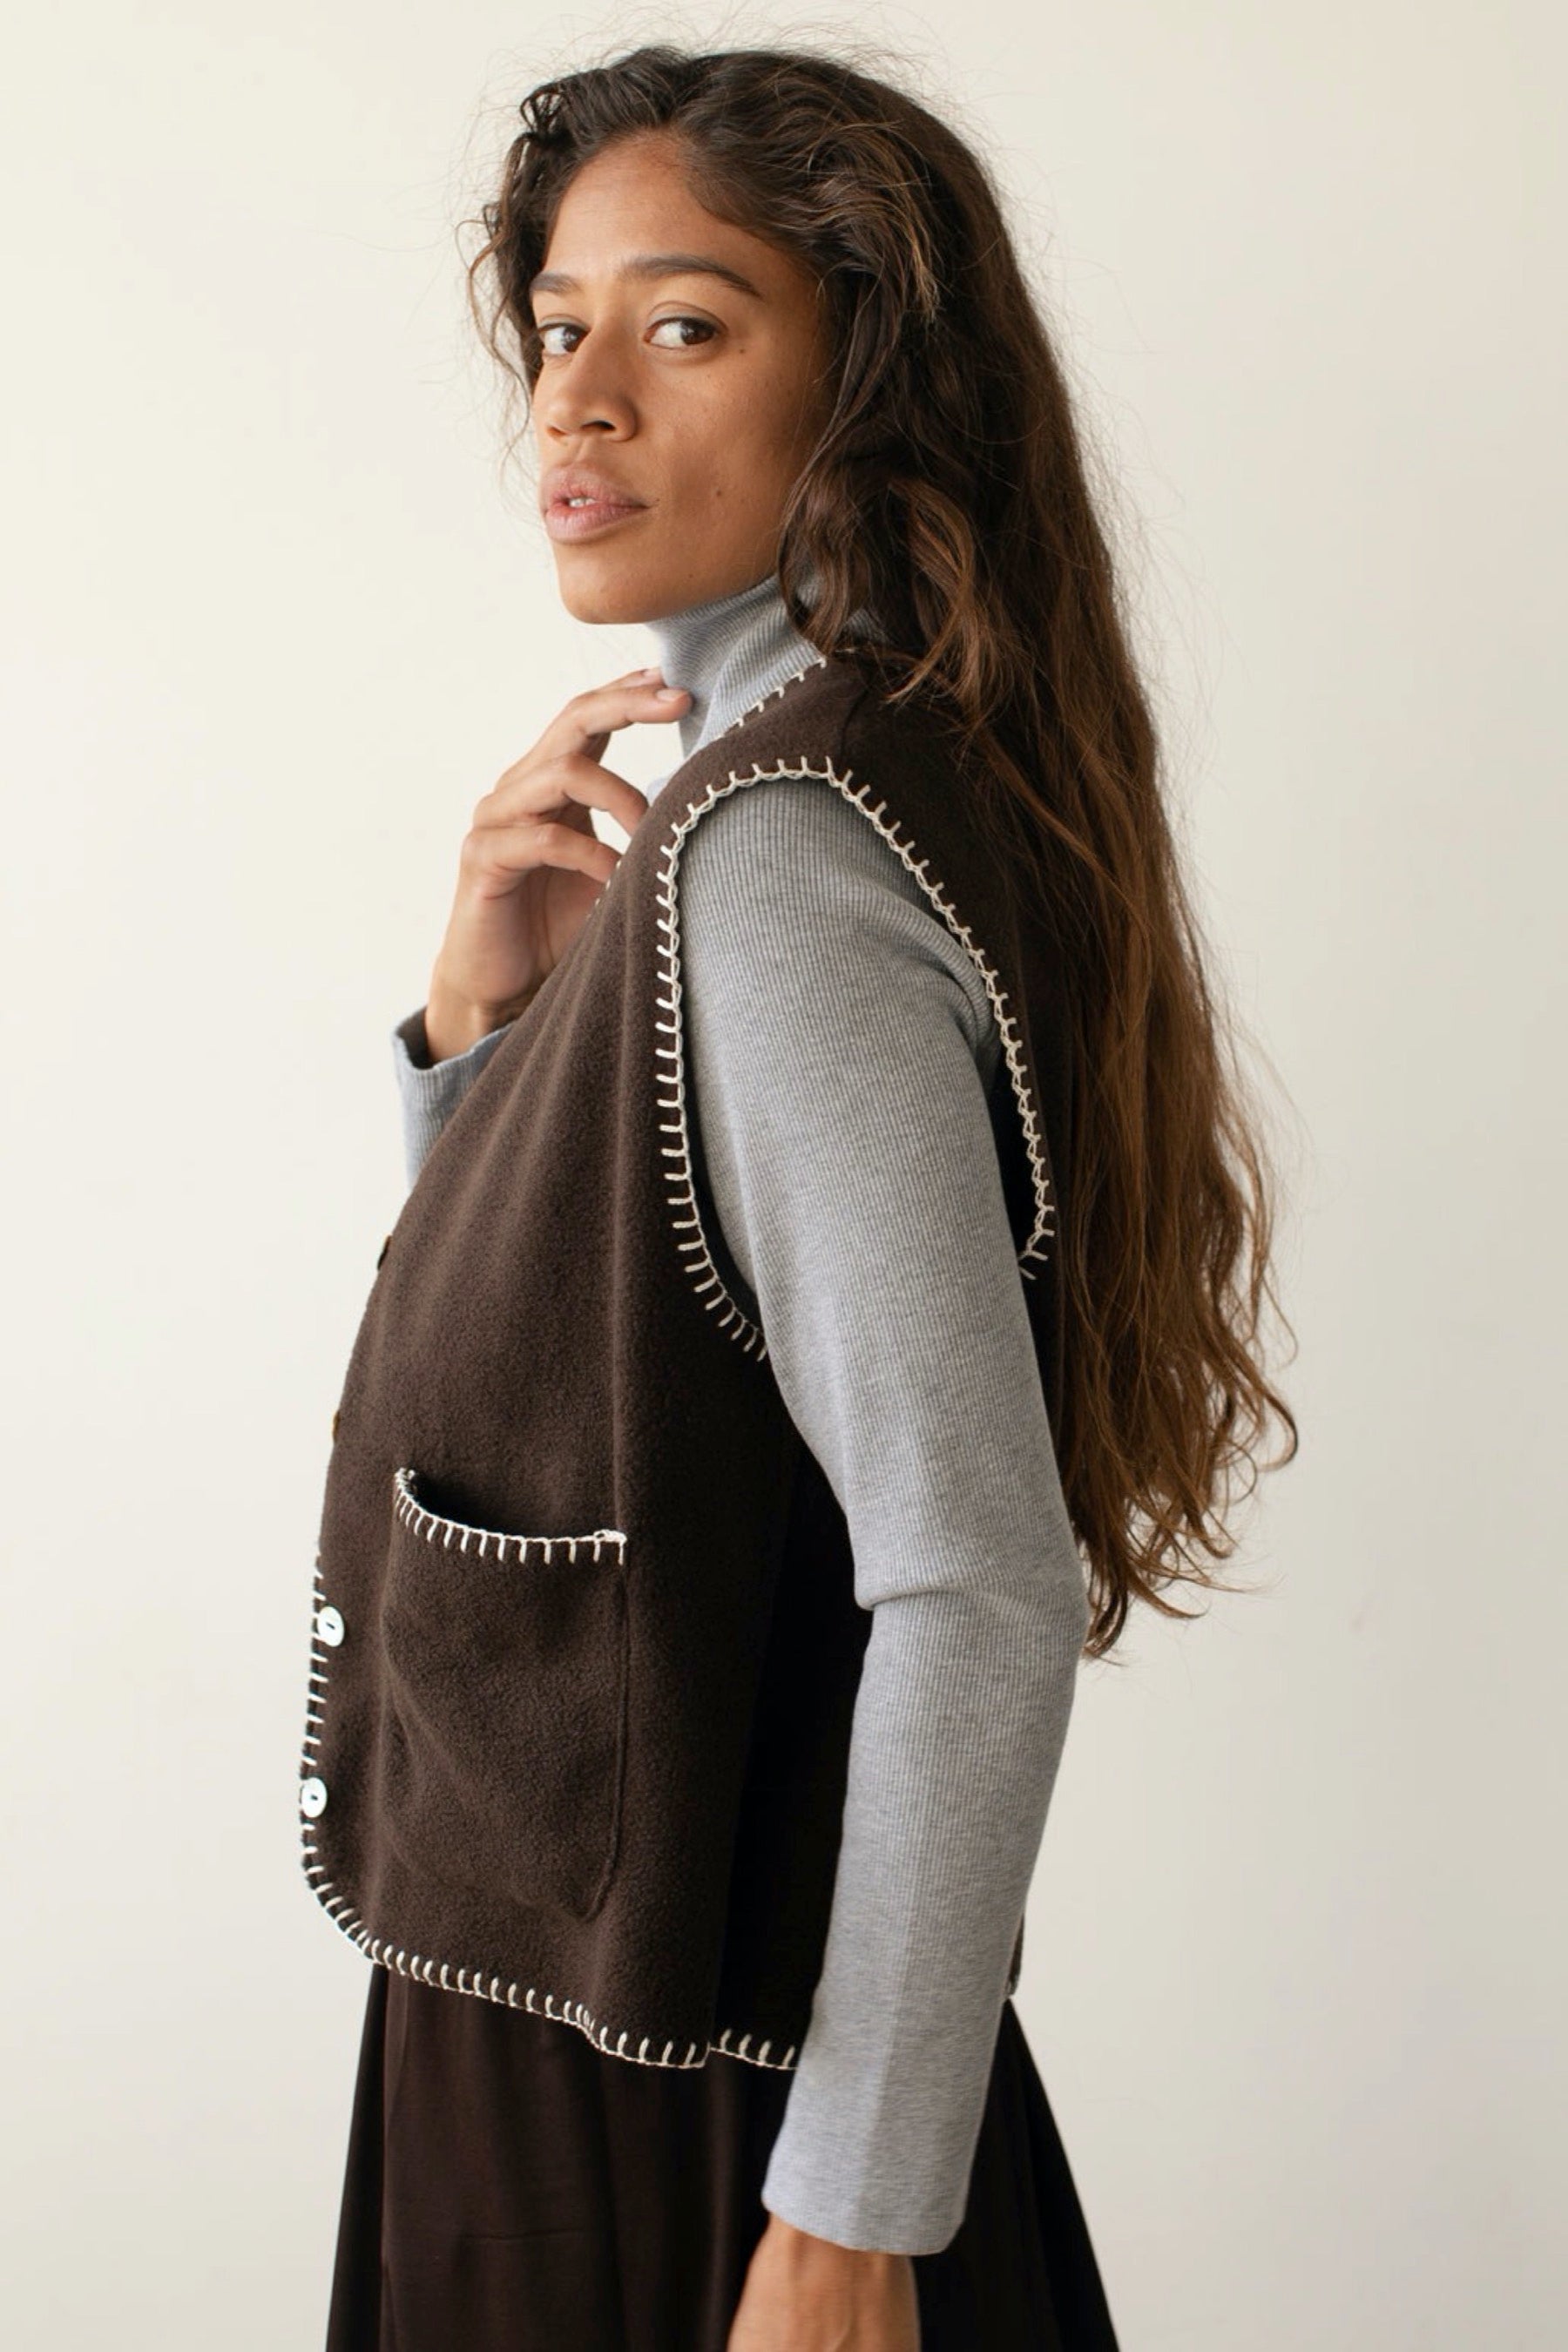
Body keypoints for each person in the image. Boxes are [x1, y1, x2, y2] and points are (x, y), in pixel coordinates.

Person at [301, 44, 1297, 2352]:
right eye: (559, 325)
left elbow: (972, 1572)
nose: (582, 398)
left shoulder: (772, 861)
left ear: (866, 384)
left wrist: (848, 2215)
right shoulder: (827, 793)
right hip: (617, 2020)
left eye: (687, 324)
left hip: (662, 2093)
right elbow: (608, 1389)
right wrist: (483, 1041)